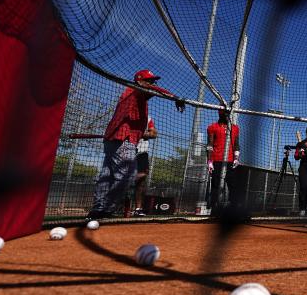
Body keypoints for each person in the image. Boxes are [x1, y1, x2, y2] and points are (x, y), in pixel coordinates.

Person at [88, 69, 184, 220]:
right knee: (127, 176)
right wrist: (175, 97)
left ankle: (97, 210)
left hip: (112, 138)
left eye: (153, 81)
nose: (152, 84)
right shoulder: (137, 91)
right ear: (140, 81)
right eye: (149, 81)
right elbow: (155, 90)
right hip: (124, 138)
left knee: (107, 175)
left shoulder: (132, 93)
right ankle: (106, 209)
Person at [206, 109, 240, 212]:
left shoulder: (235, 128)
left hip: (230, 161)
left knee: (233, 185)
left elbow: (237, 144)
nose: (227, 116)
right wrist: (210, 161)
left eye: (228, 114)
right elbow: (209, 145)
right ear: (220, 114)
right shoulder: (212, 127)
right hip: (217, 159)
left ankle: (233, 207)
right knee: (216, 185)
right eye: (225, 113)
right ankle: (214, 208)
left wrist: (236, 158)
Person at [131, 116, 157, 216]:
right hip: (127, 149)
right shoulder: (128, 114)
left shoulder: (147, 118)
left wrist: (139, 134)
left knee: (143, 177)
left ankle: (138, 209)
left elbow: (153, 134)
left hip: (142, 151)